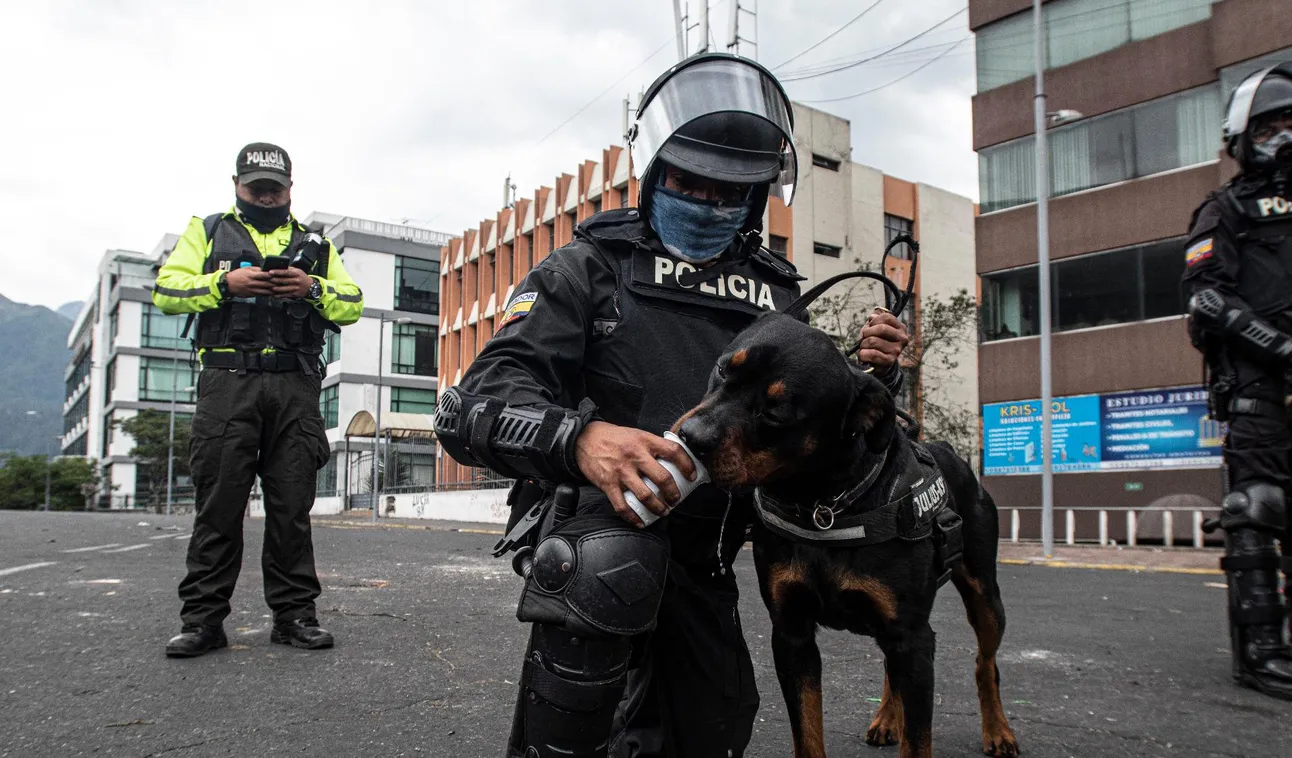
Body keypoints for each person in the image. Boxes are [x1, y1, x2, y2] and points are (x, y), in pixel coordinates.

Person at [435, 54, 909, 758]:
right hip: (600, 539)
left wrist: (873, 379)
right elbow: (472, 406)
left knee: (715, 722)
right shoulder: (588, 269)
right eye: (688, 181)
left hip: (708, 554)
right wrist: (582, 440)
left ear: (754, 199)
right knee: (603, 595)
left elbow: (818, 434)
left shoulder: (775, 295)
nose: (707, 201)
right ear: (656, 173)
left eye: (729, 191)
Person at [152, 142, 365, 658]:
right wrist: (225, 282)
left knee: (292, 506)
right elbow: (166, 290)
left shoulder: (316, 245)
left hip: (295, 385)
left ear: (291, 188)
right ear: (236, 185)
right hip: (227, 380)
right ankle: (203, 621)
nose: (266, 196)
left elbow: (353, 302)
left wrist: (310, 287)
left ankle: (295, 617)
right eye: (256, 187)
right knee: (219, 505)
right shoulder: (205, 231)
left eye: (275, 188)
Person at [1183, 63, 1292, 702]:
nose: (1283, 138)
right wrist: (1283, 351)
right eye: (1269, 127)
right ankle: (1259, 651)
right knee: (1258, 509)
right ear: (1241, 138)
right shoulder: (1225, 209)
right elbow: (1206, 303)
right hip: (1259, 392)